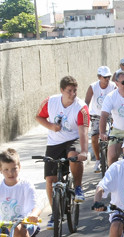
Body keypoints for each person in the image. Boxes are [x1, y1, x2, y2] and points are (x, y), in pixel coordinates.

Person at [36, 76, 89, 228]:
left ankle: (78, 187)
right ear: (61, 91)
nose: (73, 94)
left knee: (73, 156)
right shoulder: (50, 102)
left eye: (75, 91)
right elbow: (38, 116)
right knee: (50, 179)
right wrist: (51, 126)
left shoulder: (81, 108)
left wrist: (84, 151)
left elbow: (83, 131)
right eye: (69, 91)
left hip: (73, 139)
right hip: (54, 142)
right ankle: (55, 214)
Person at [85, 66, 116, 173]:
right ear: (99, 77)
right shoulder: (93, 87)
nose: (107, 79)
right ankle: (98, 160)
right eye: (105, 77)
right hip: (96, 115)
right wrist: (85, 116)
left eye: (109, 77)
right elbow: (86, 103)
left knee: (112, 136)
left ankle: (112, 156)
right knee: (94, 138)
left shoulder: (113, 87)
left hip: (110, 115)